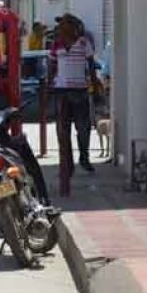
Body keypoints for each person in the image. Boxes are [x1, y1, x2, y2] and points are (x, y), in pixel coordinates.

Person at [49, 13, 95, 174]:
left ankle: (84, 157)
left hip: (80, 91)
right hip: (61, 91)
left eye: (63, 24)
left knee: (83, 128)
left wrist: (94, 86)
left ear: (73, 27)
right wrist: (49, 85)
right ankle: (67, 163)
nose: (60, 28)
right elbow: (52, 66)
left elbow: (91, 65)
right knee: (63, 129)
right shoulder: (57, 44)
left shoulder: (84, 43)